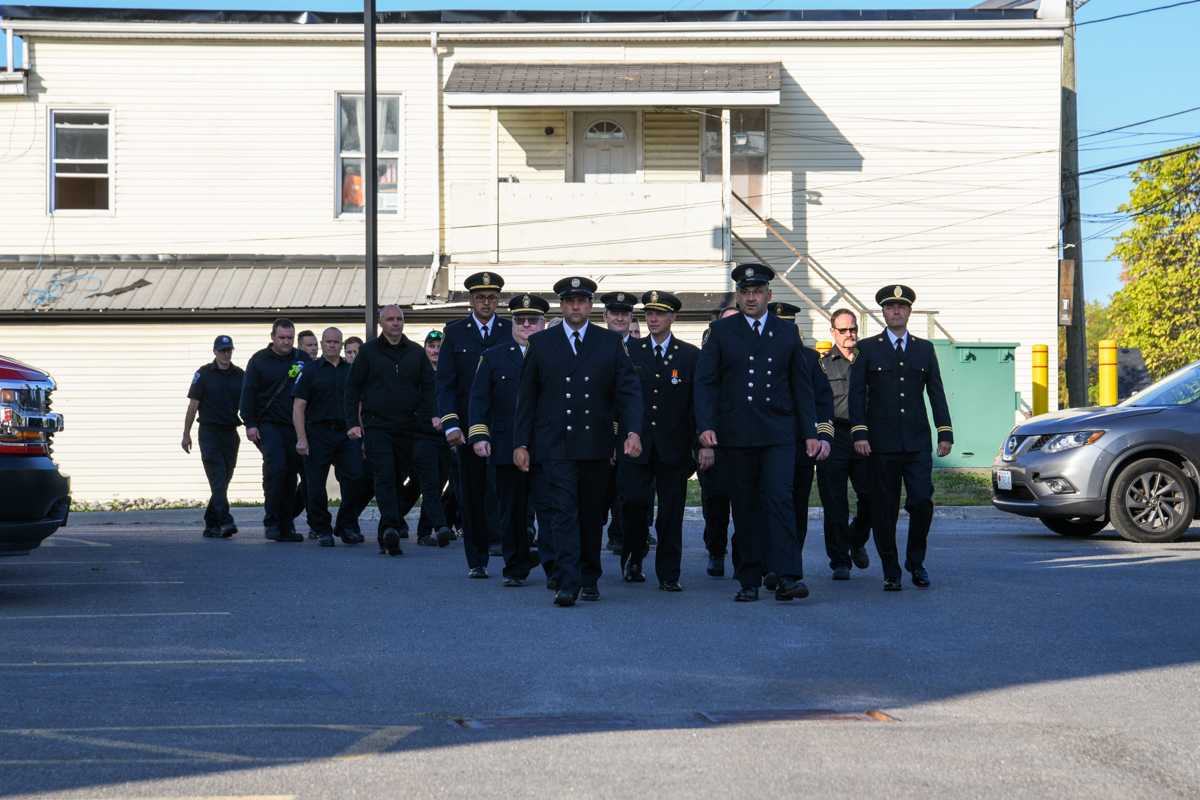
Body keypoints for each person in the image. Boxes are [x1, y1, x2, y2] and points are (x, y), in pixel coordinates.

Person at [513, 276, 643, 606]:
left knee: (590, 513)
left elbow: (627, 391)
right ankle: (567, 582)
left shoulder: (610, 342)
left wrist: (632, 431)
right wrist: (521, 443)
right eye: (569, 301)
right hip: (554, 442)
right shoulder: (542, 342)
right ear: (561, 305)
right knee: (563, 511)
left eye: (581, 301)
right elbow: (527, 397)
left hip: (595, 441)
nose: (575, 306)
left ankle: (589, 576)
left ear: (590, 306)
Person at [695, 264, 819, 603]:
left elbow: (800, 385)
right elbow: (706, 382)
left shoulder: (785, 332)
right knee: (746, 503)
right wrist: (706, 425)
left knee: (780, 499)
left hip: (779, 430)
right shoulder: (721, 331)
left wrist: (809, 431)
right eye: (745, 292)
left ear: (769, 294)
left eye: (757, 291)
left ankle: (788, 576)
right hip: (737, 432)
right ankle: (748, 578)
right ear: (738, 295)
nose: (751, 297)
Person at [849, 285, 953, 591]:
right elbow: (856, 396)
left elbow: (936, 392)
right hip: (880, 443)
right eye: (891, 307)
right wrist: (859, 433)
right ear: (883, 312)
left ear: (909, 312)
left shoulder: (924, 348)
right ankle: (891, 570)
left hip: (917, 441)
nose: (896, 311)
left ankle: (916, 562)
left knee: (921, 501)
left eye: (902, 307)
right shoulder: (867, 348)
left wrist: (944, 431)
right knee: (885, 508)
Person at [469, 294, 557, 587]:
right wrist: (480, 435)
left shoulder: (557, 355)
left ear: (543, 323)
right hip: (506, 446)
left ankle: (554, 568)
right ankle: (516, 568)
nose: (527, 325)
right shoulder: (493, 356)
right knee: (512, 511)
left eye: (533, 320)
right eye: (520, 320)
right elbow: (478, 399)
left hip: (546, 446)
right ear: (512, 324)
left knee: (549, 510)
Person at [617, 291, 701, 591]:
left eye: (660, 314)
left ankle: (669, 572)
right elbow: (619, 398)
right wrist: (620, 438)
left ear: (672, 318)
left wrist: (697, 445)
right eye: (649, 314)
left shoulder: (690, 355)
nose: (653, 319)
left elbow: (696, 404)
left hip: (674, 446)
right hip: (635, 445)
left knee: (671, 511)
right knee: (634, 504)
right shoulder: (629, 350)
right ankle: (635, 555)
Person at [345, 304, 438, 557]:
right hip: (377, 425)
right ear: (381, 323)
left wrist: (435, 415)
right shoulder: (368, 352)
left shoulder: (416, 353)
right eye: (390, 319)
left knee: (398, 478)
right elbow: (352, 388)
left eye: (399, 319)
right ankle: (392, 528)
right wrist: (353, 423)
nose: (395, 323)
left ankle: (387, 533)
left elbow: (428, 388)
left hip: (408, 427)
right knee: (384, 475)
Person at [436, 272, 512, 578]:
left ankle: (508, 550)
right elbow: (446, 384)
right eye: (481, 297)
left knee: (507, 492)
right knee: (472, 493)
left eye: (492, 298)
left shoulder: (510, 330)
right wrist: (451, 425)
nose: (486, 303)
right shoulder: (455, 332)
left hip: (504, 426)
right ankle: (477, 559)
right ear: (470, 300)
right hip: (468, 430)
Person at [767, 302, 834, 590]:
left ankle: (790, 568)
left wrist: (824, 437)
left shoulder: (809, 359)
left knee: (796, 510)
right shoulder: (759, 358)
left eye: (790, 325)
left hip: (801, 448)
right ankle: (770, 564)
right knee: (767, 507)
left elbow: (823, 401)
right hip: (766, 445)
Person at [240, 319, 311, 542]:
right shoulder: (259, 361)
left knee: (291, 476)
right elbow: (248, 393)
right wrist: (250, 424)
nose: (286, 342)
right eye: (282, 338)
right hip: (268, 426)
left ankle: (286, 525)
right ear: (272, 337)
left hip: (296, 428)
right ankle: (271, 522)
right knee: (276, 470)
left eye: (290, 338)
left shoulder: (303, 359)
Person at [816, 308, 874, 580]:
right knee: (835, 503)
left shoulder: (869, 360)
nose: (849, 334)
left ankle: (856, 537)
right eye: (843, 330)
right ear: (832, 333)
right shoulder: (823, 364)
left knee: (873, 497)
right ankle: (839, 561)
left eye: (853, 329)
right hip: (835, 436)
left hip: (866, 439)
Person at [292, 327, 362, 547]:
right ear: (322, 344)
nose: (332, 345)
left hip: (346, 434)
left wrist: (362, 436)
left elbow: (359, 405)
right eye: (328, 342)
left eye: (336, 342)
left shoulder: (351, 371)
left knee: (356, 478)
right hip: (317, 433)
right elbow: (298, 407)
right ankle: (322, 529)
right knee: (314, 484)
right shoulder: (310, 371)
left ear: (341, 345)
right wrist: (302, 439)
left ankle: (345, 525)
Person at [182, 335, 244, 538]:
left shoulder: (240, 375)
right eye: (222, 350)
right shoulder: (204, 374)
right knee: (217, 479)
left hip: (230, 434)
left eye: (228, 351)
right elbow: (193, 406)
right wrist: (186, 434)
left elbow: (249, 403)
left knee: (223, 481)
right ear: (215, 352)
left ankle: (211, 524)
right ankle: (226, 521)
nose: (225, 354)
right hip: (209, 432)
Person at [397, 331, 454, 548]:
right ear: (425, 349)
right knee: (429, 483)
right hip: (421, 437)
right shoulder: (417, 375)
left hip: (446, 440)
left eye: (440, 346)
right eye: (432, 346)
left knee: (433, 484)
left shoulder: (450, 375)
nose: (436, 350)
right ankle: (440, 527)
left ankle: (415, 528)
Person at [699, 308, 741, 576]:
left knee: (746, 501)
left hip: (745, 439)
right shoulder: (709, 348)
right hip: (714, 441)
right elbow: (699, 399)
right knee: (715, 500)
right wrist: (703, 443)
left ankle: (743, 555)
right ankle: (716, 551)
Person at [599, 290, 637, 555]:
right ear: (605, 316)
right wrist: (610, 439)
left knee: (631, 493)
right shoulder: (595, 347)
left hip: (633, 434)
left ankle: (624, 537)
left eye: (625, 314)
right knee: (600, 494)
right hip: (601, 434)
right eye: (615, 314)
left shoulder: (643, 350)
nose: (620, 318)